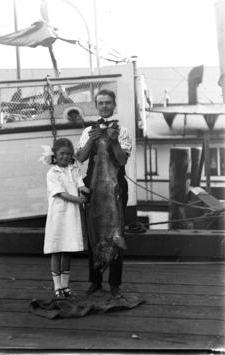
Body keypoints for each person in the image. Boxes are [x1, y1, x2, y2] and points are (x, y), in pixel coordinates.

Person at [76, 89, 132, 298]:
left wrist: (114, 140)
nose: (105, 106)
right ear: (96, 106)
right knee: (93, 233)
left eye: (108, 103)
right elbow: (80, 158)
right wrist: (93, 139)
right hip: (94, 187)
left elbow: (122, 160)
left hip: (115, 188)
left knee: (117, 233)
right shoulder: (87, 131)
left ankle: (115, 284)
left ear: (114, 105)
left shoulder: (122, 130)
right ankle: (95, 281)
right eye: (101, 103)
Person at [41, 138, 90, 298]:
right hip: (59, 215)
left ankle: (65, 286)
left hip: (72, 215)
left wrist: (83, 188)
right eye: (62, 153)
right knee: (57, 249)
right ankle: (57, 287)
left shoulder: (73, 168)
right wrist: (78, 199)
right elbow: (60, 193)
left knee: (68, 248)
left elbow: (78, 181)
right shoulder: (52, 173)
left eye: (69, 154)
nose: (65, 157)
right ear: (55, 154)